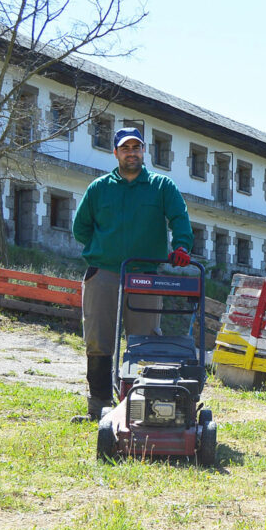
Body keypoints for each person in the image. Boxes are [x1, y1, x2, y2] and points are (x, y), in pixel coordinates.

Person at [72, 126, 194, 421]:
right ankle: (98, 405)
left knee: (145, 339)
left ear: (143, 152)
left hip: (145, 274)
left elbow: (179, 217)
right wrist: (103, 249)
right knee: (98, 339)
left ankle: (143, 404)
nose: (131, 153)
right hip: (104, 273)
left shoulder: (161, 186)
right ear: (115, 153)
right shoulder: (99, 188)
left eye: (136, 147)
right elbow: (80, 228)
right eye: (125, 148)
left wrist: (181, 246)